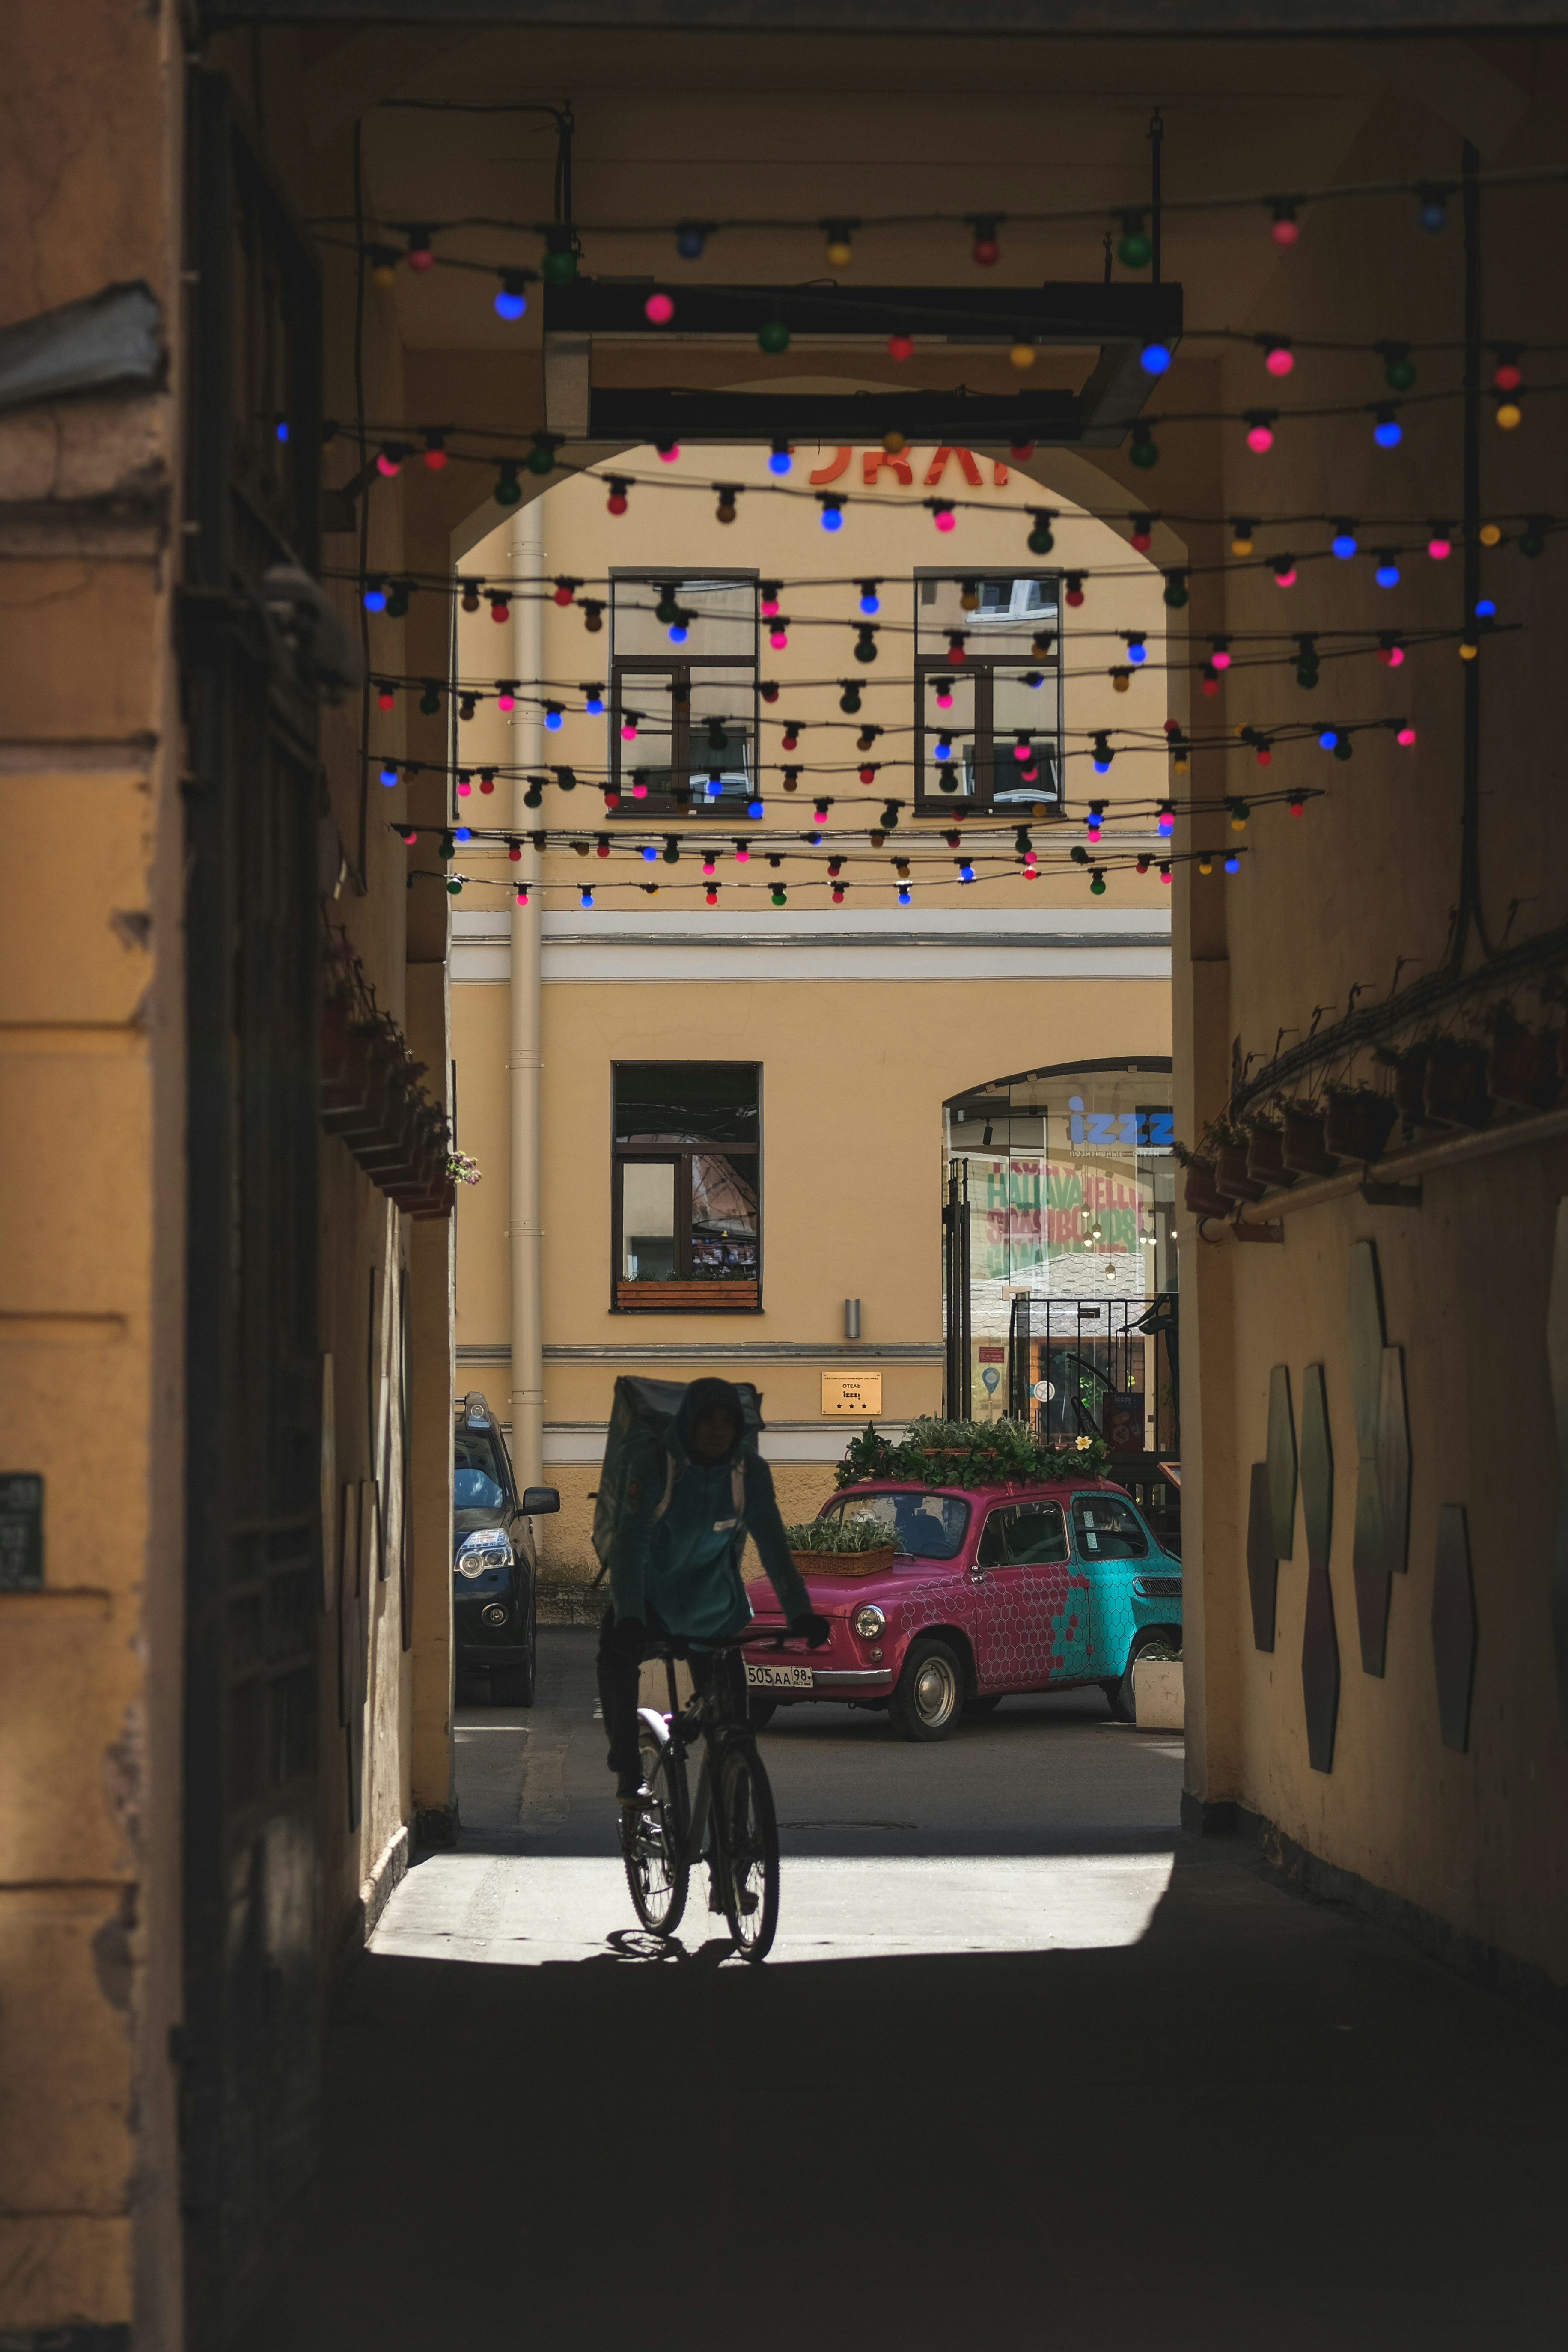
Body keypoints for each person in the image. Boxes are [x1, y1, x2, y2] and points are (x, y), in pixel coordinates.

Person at [597, 1375, 829, 1805]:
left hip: (714, 1608)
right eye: (708, 1419)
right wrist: (629, 1615)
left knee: (735, 1728)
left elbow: (774, 1548)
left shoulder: (748, 1471)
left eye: (728, 1421)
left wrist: (801, 1613)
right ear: (689, 1421)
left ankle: (737, 1826)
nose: (718, 1430)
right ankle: (628, 1768)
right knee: (615, 1651)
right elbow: (630, 1546)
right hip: (651, 1604)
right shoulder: (654, 1464)